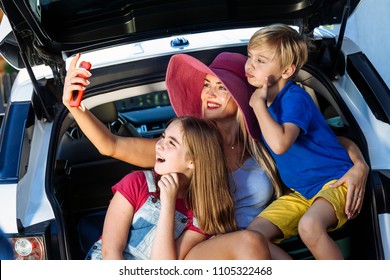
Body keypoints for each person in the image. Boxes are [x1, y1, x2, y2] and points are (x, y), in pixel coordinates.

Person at [63, 52, 368, 259]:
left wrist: (358, 166)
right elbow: (111, 146)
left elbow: (329, 142)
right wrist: (76, 107)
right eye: (206, 86)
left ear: (240, 97)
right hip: (198, 245)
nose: (209, 94)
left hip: (254, 242)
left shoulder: (265, 141)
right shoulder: (188, 147)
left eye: (221, 88)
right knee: (252, 244)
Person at [245, 24, 369, 260]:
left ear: (287, 70)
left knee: (309, 227)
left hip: (335, 182)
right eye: (250, 56)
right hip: (301, 193)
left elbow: (281, 144)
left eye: (261, 60)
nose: (250, 65)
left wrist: (257, 106)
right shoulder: (264, 102)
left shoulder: (294, 98)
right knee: (254, 235)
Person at [86, 116, 238, 259]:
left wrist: (168, 205)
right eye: (163, 137)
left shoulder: (201, 216)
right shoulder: (137, 182)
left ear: (193, 161)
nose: (159, 145)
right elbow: (110, 252)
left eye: (171, 143)